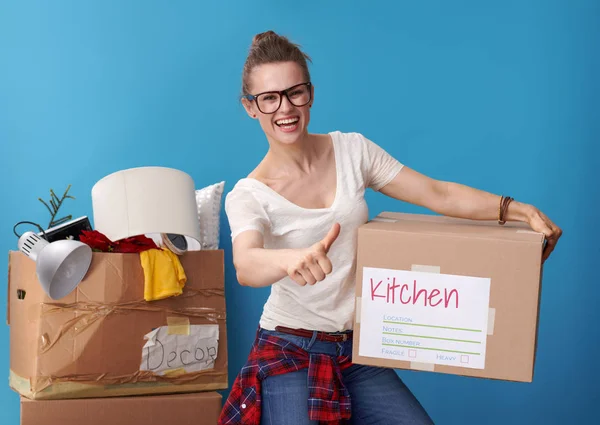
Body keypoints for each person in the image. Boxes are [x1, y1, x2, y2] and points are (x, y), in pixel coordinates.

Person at [218, 31, 562, 425]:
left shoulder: (353, 151)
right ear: (251, 107)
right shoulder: (250, 193)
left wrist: (516, 210)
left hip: (355, 350)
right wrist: (291, 258)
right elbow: (246, 263)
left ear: (310, 94)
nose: (285, 108)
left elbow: (438, 193)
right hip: (290, 347)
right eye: (269, 98)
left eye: (295, 92)